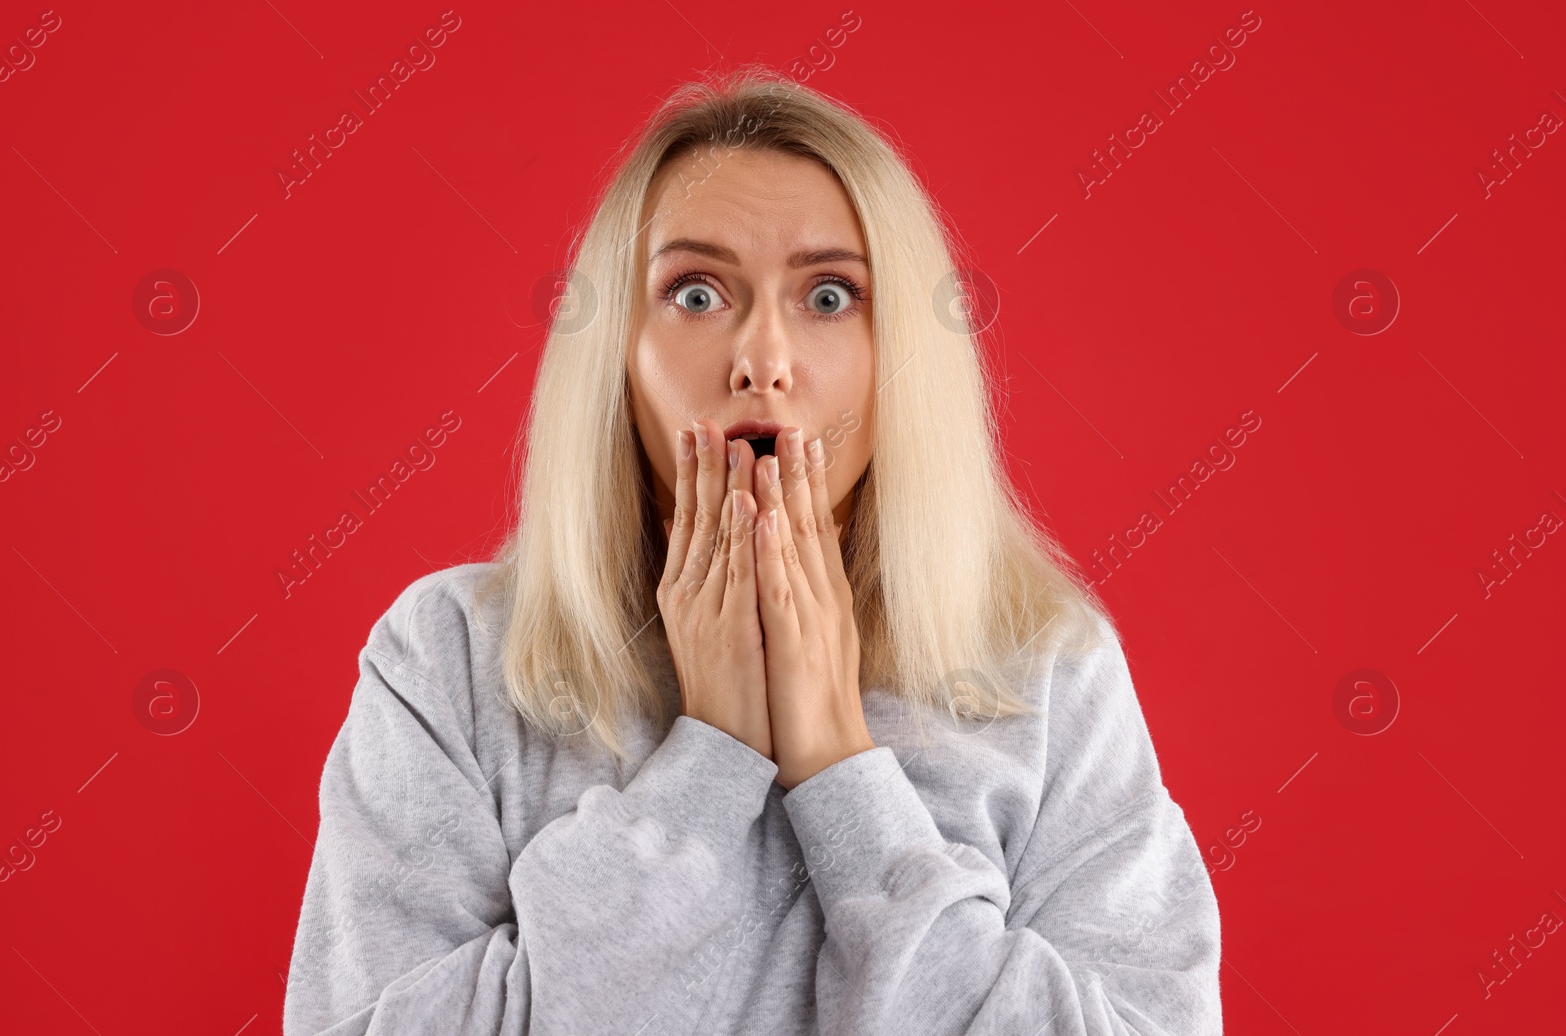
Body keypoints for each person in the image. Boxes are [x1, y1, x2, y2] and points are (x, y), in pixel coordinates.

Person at [283, 66, 1222, 1035]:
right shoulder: (447, 656)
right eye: (695, 292)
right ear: (617, 350)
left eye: (828, 295)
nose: (761, 359)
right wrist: (711, 757)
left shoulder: (1051, 672)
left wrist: (838, 765)